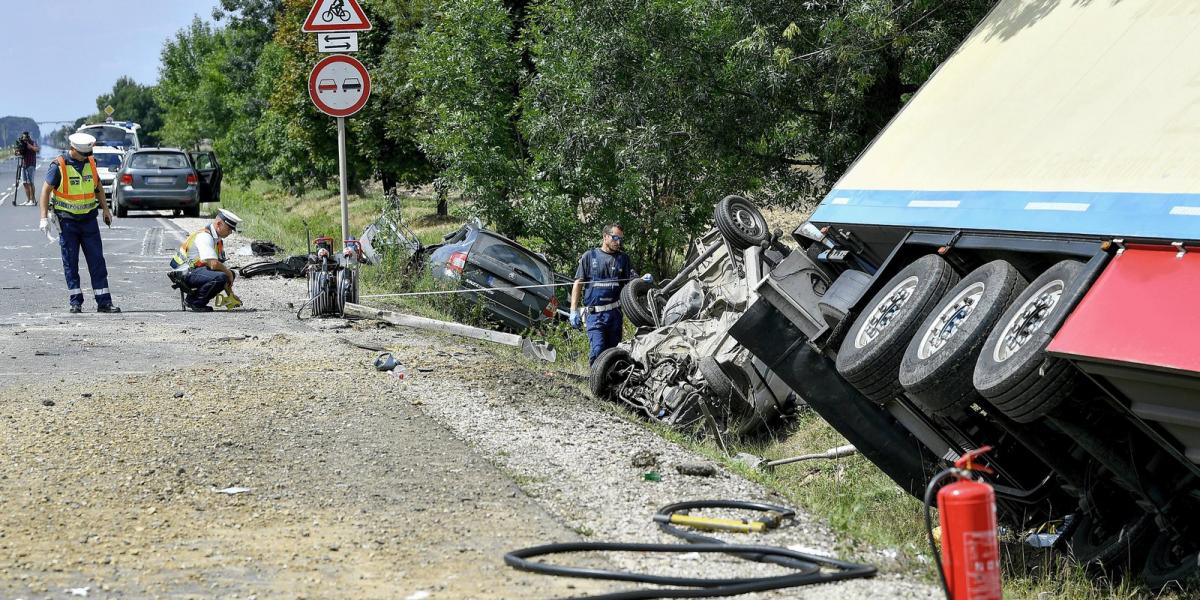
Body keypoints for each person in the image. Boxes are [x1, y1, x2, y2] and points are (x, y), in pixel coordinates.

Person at [38, 133, 120, 314]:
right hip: (67, 222)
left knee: (97, 261)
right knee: (71, 262)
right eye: (83, 154)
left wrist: (106, 210)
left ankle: (104, 302)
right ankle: (75, 302)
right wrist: (43, 218)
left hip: (89, 220)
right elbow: (45, 192)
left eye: (87, 154)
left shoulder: (91, 162)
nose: (86, 157)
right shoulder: (58, 166)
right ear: (73, 150)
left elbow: (97, 186)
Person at [569, 224, 653, 365]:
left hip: (614, 314)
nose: (618, 242)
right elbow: (578, 283)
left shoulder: (623, 259)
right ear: (605, 236)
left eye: (620, 239)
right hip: (595, 315)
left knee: (613, 353)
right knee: (598, 350)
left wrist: (642, 280)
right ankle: (595, 382)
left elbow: (631, 282)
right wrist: (573, 310)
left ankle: (611, 385)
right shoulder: (590, 256)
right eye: (615, 238)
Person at [169, 209, 242, 312]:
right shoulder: (205, 237)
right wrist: (228, 273)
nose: (230, 232)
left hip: (194, 271)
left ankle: (196, 298)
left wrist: (231, 296)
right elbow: (213, 265)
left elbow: (221, 269)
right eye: (229, 229)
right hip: (185, 274)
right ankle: (195, 301)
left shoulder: (218, 240)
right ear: (219, 224)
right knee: (223, 276)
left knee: (228, 274)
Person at [13, 131, 39, 205]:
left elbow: (37, 149)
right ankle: (28, 200)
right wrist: (17, 151)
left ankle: (32, 200)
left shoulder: (32, 142)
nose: (25, 140)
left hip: (31, 164)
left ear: (28, 137)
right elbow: (18, 152)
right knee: (24, 183)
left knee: (30, 182)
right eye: (23, 138)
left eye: (26, 137)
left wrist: (30, 146)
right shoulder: (21, 143)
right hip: (23, 165)